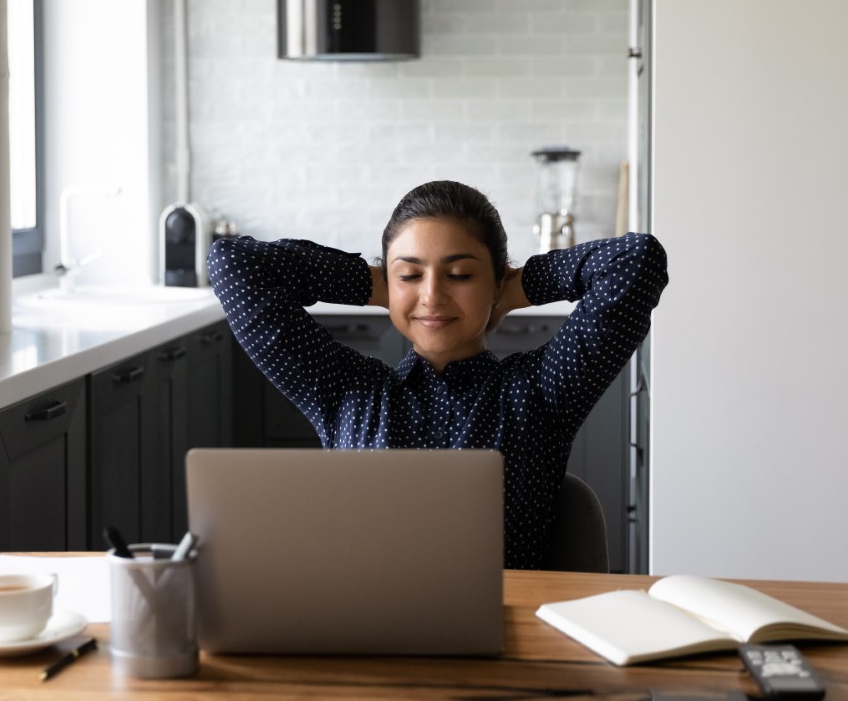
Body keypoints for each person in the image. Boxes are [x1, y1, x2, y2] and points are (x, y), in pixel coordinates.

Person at [207, 180, 668, 569]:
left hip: (510, 643)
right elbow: (232, 263)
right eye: (410, 276)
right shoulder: (346, 393)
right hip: (369, 637)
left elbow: (637, 261)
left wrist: (517, 288)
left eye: (460, 275)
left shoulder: (542, 392)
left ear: (494, 281)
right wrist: (373, 284)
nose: (431, 296)